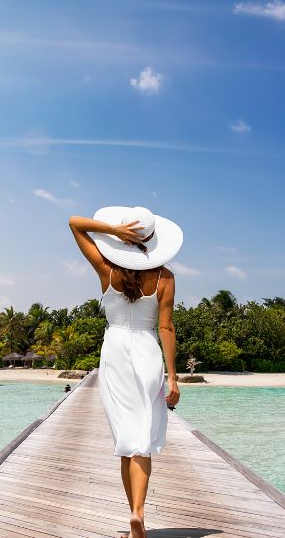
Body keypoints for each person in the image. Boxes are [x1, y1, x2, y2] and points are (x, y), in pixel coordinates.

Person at [68, 205, 184, 538]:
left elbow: (74, 224)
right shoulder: (166, 278)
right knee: (142, 440)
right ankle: (139, 513)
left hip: (115, 352)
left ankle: (132, 517)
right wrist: (173, 377)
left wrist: (113, 231)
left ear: (124, 239)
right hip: (148, 352)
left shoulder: (106, 268)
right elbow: (167, 328)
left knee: (125, 438)